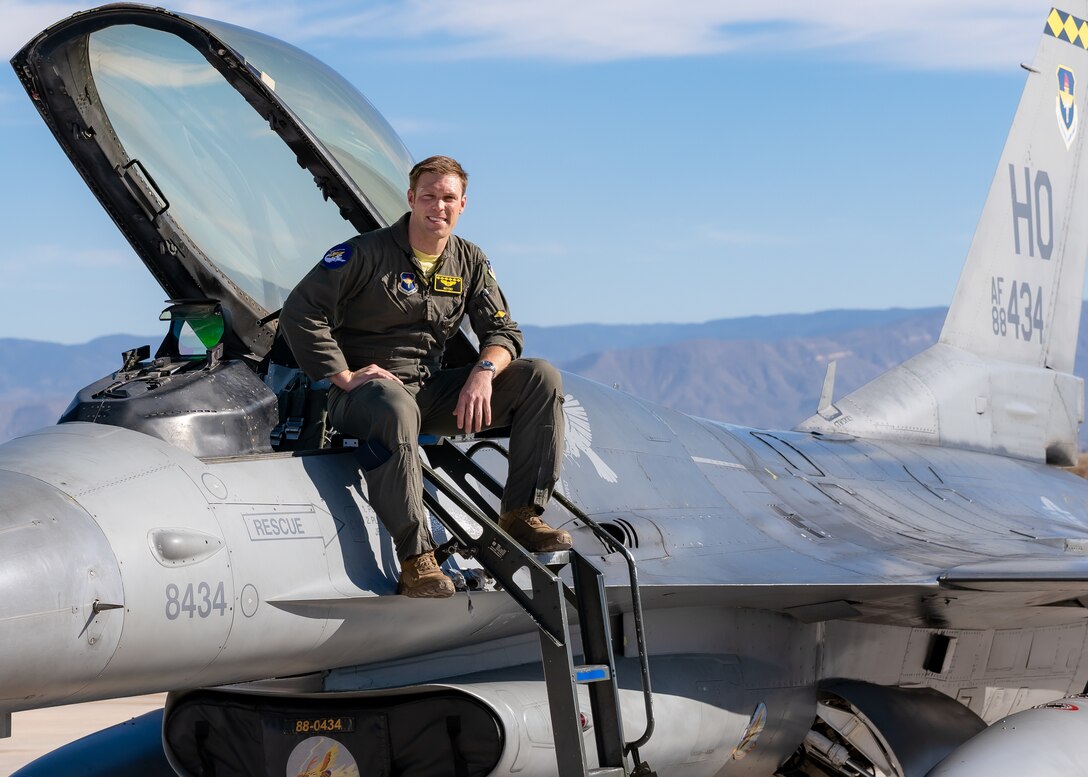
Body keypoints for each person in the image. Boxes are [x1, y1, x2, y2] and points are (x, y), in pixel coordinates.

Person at [280, 155, 569, 598]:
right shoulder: (363, 252)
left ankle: (521, 516)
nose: (439, 206)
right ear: (412, 199)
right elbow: (301, 311)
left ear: (463, 204)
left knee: (541, 377)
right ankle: (418, 560)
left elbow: (503, 331)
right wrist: (342, 375)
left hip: (428, 391)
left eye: (449, 198)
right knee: (395, 406)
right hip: (365, 396)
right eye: (429, 196)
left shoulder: (469, 260)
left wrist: (483, 373)